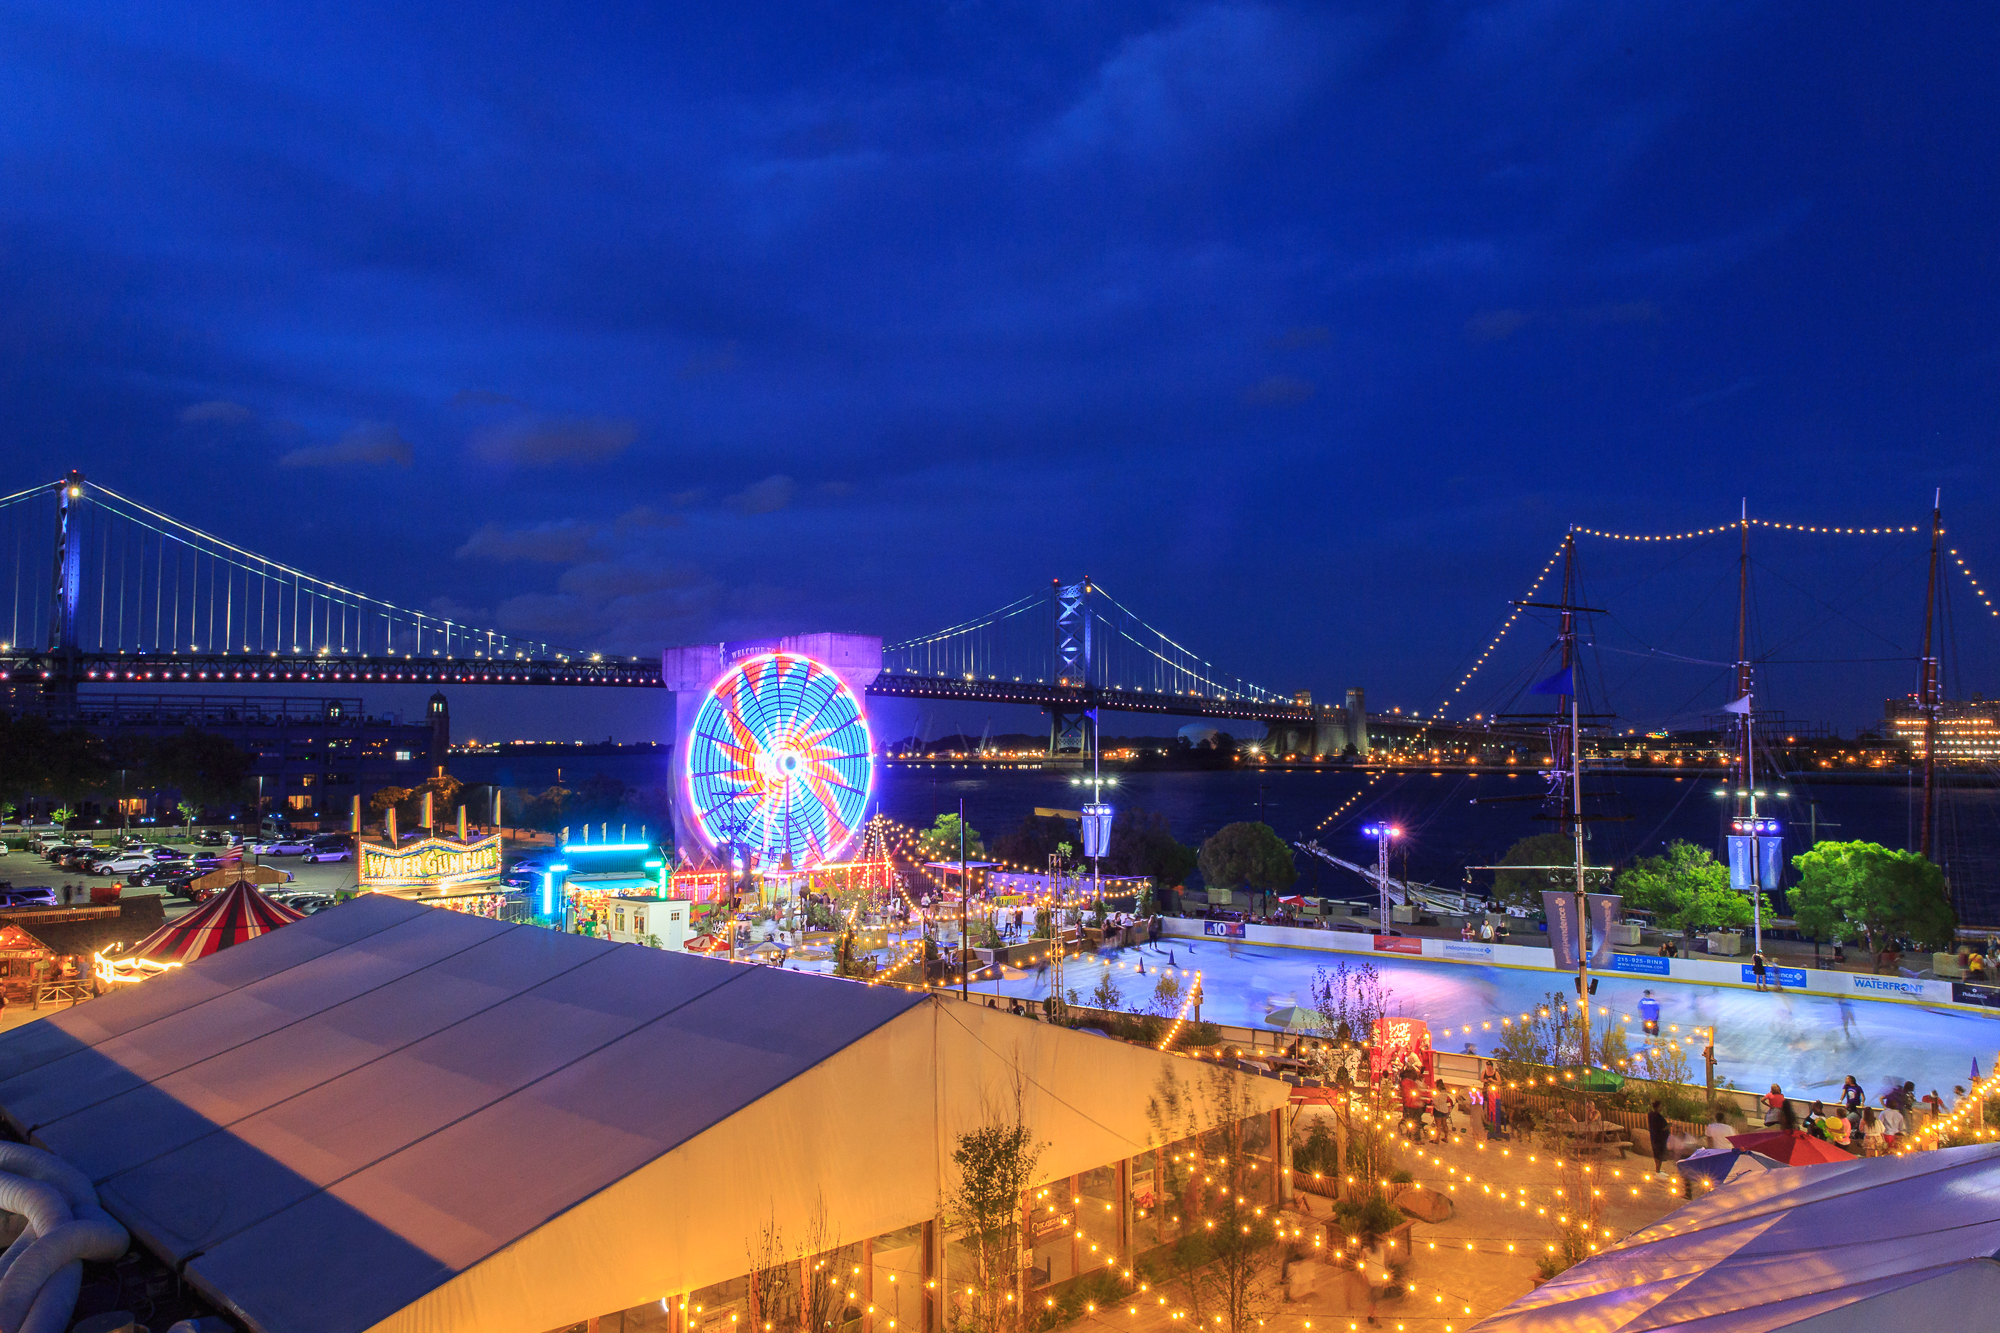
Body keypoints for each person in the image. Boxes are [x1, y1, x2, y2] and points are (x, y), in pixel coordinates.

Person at [1648, 1099, 1670, 1173]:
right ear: (1658, 1107)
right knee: (1658, 1154)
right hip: (1659, 1138)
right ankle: (1657, 1170)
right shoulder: (1657, 1117)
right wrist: (1669, 1126)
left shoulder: (1651, 1115)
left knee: (1656, 1153)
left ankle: (1658, 1169)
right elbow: (1661, 1128)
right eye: (1661, 1106)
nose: (1662, 1107)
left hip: (1654, 1137)